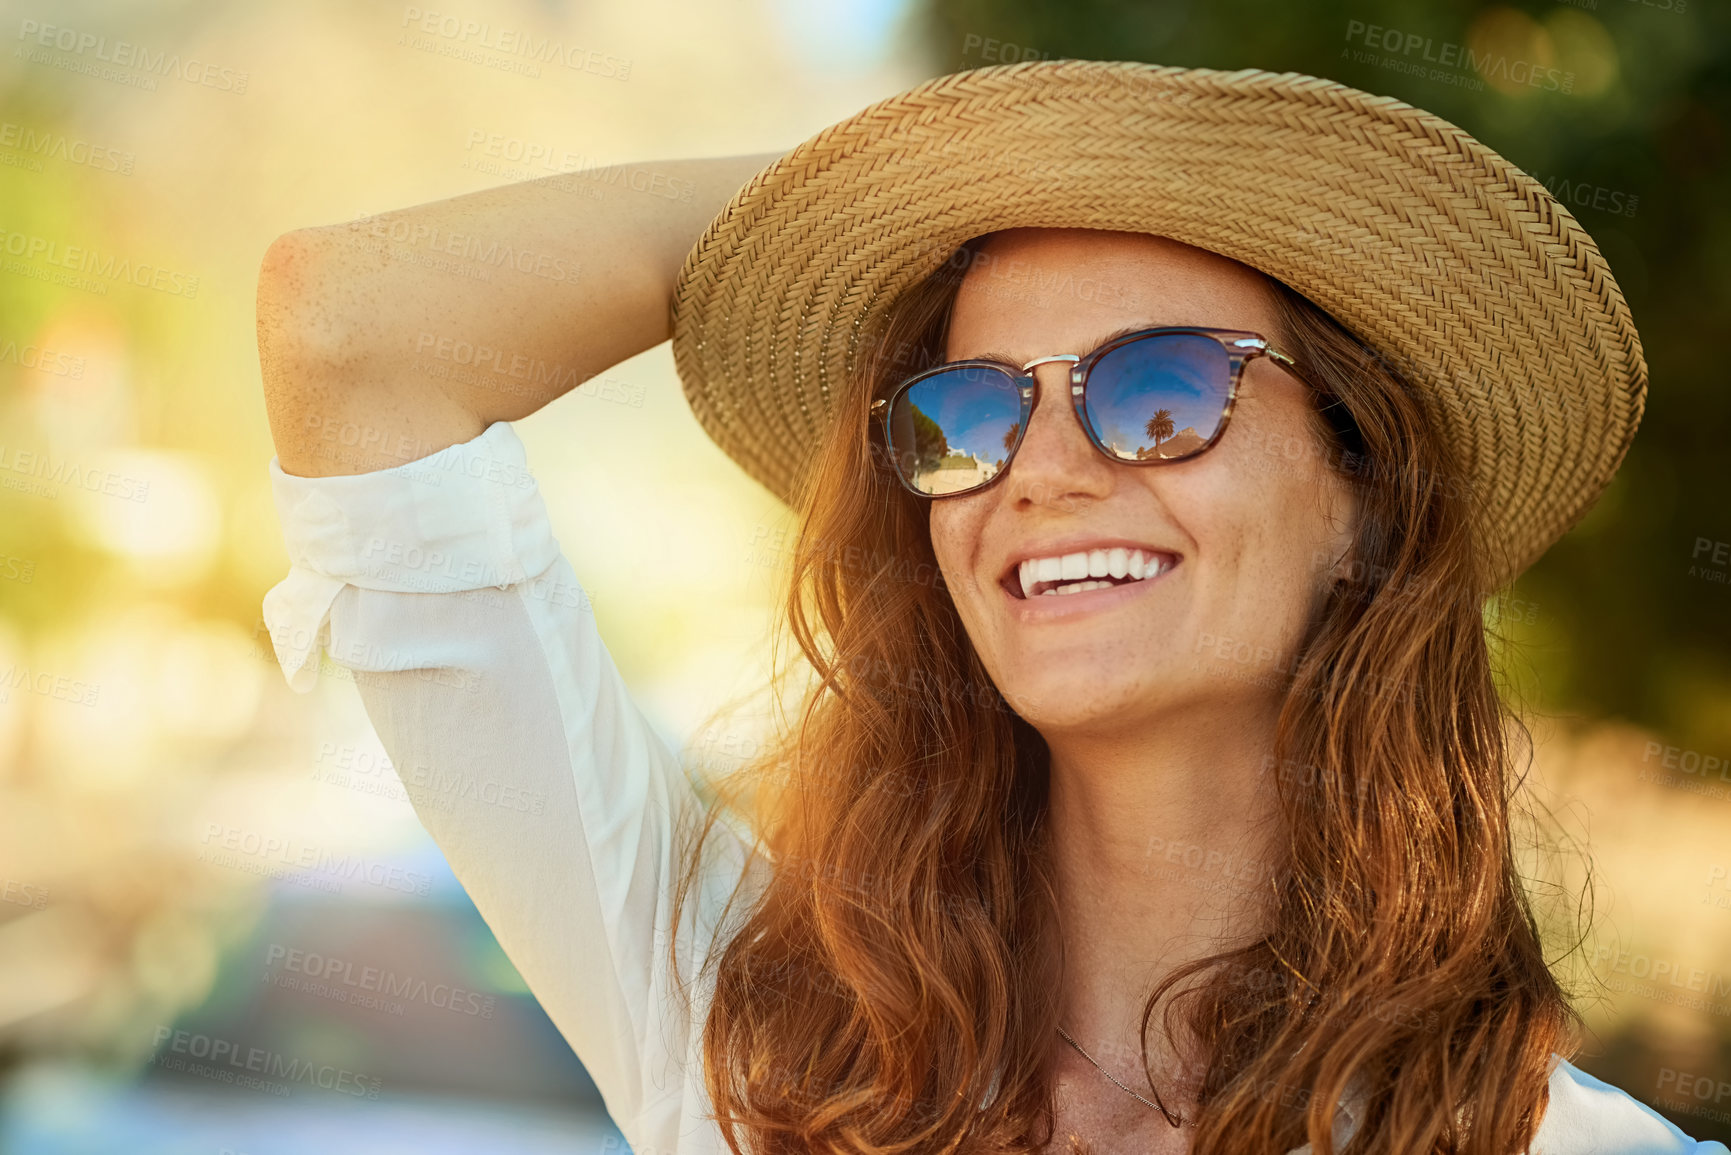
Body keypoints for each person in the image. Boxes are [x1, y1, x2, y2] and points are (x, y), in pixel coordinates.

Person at [256, 61, 1727, 1155]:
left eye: (1161, 394)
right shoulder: (753, 1035)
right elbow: (350, 330)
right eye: (970, 413)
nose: (1043, 474)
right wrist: (916, 183)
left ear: (1363, 503)